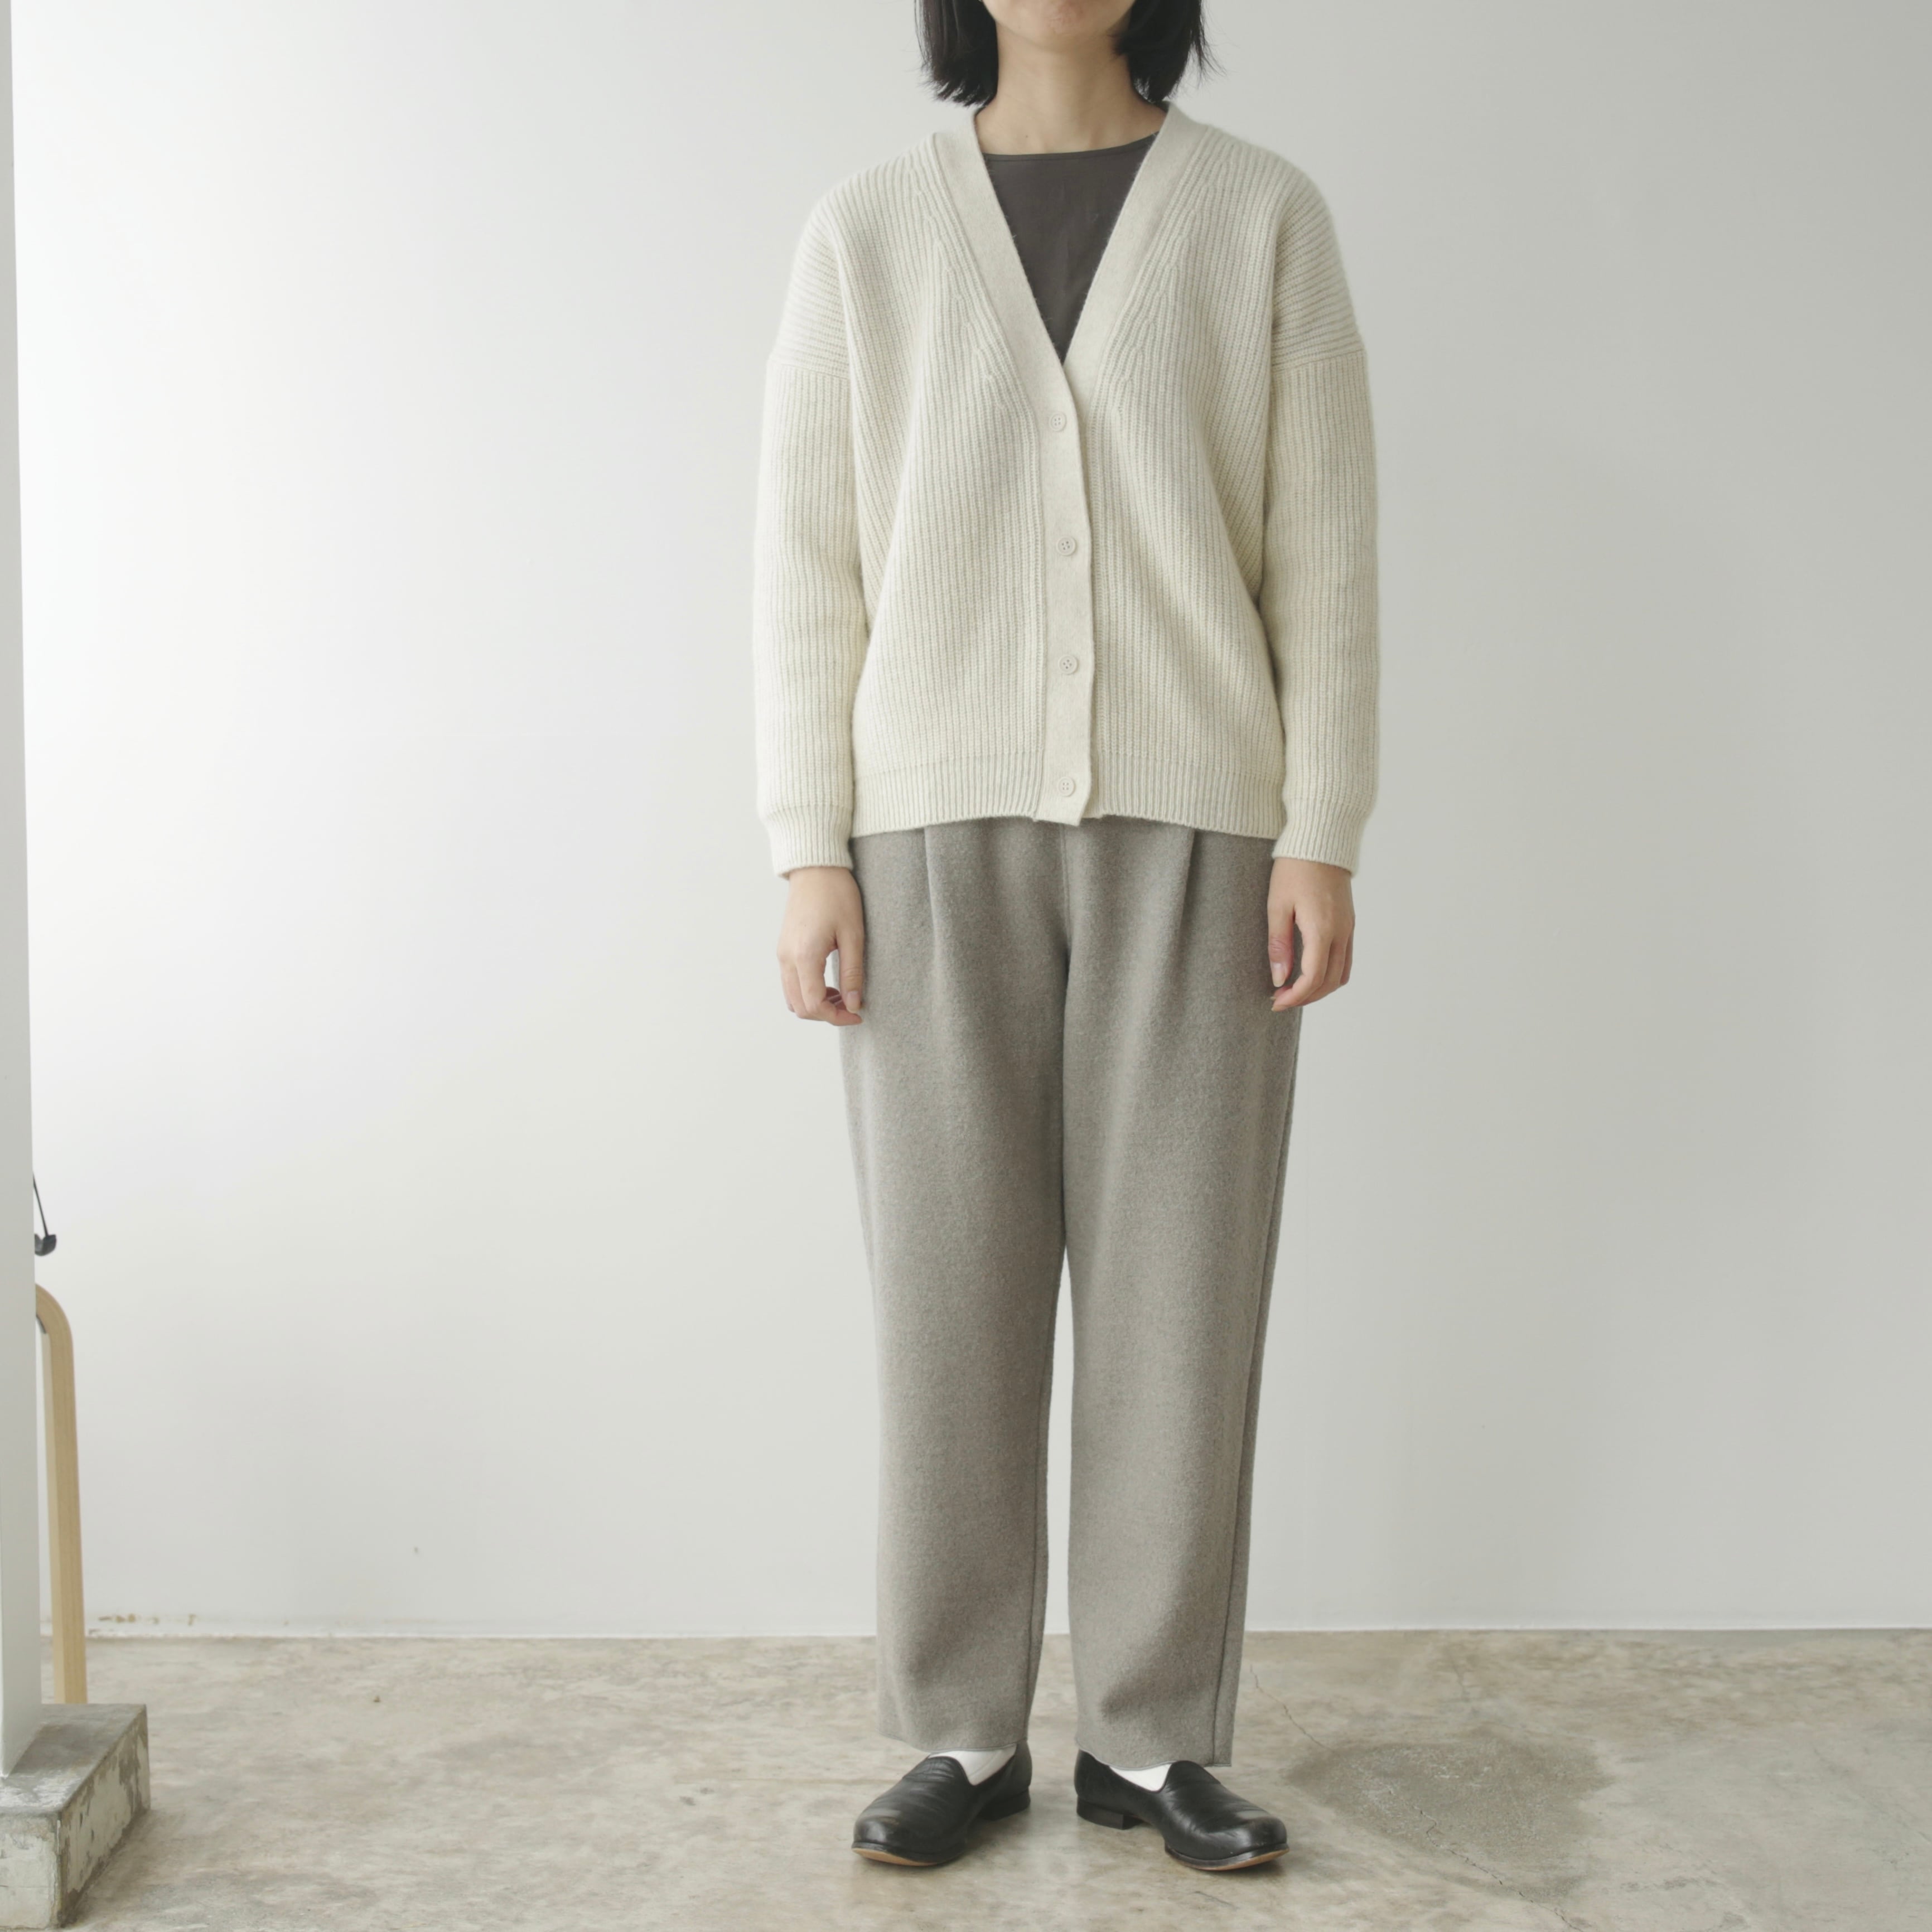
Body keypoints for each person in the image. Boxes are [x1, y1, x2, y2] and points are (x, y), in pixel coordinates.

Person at [752, 0, 1376, 1875]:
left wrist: (1322, 830)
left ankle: (1152, 1738)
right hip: (926, 830)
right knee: (948, 1301)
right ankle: (961, 1730)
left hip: (1203, 823)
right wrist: (806, 847)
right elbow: (807, 556)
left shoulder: (1261, 217)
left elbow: (1324, 549)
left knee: (1183, 1300)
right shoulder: (868, 231)